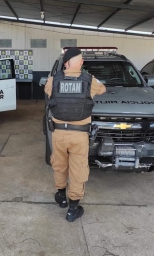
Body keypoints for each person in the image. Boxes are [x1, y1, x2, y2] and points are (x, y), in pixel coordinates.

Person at [45, 47, 106, 222]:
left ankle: (61, 196)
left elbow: (48, 92)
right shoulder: (89, 80)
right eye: (81, 60)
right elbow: (102, 90)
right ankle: (73, 208)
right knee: (78, 169)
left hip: (58, 133)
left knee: (59, 165)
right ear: (81, 63)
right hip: (79, 135)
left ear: (65, 63)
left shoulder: (53, 80)